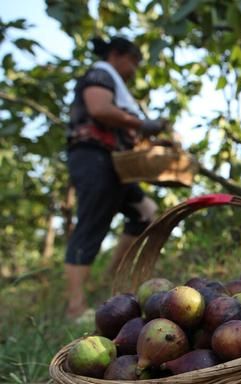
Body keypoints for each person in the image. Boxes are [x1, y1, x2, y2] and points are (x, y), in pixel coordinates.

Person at [64, 36, 167, 319]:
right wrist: (141, 123)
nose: (134, 70)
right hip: (94, 157)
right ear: (118, 55)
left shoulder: (114, 81)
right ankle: (75, 306)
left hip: (115, 164)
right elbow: (99, 108)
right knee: (91, 223)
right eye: (134, 61)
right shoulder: (100, 73)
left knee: (145, 213)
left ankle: (113, 278)